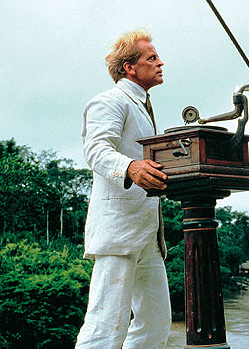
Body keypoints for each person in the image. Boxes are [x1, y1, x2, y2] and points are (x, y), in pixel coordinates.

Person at [75, 29, 171, 349]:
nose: (160, 63)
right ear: (130, 67)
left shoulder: (143, 106)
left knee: (155, 324)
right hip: (119, 230)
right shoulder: (110, 101)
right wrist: (130, 167)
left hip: (148, 235)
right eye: (151, 58)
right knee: (105, 325)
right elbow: (96, 150)